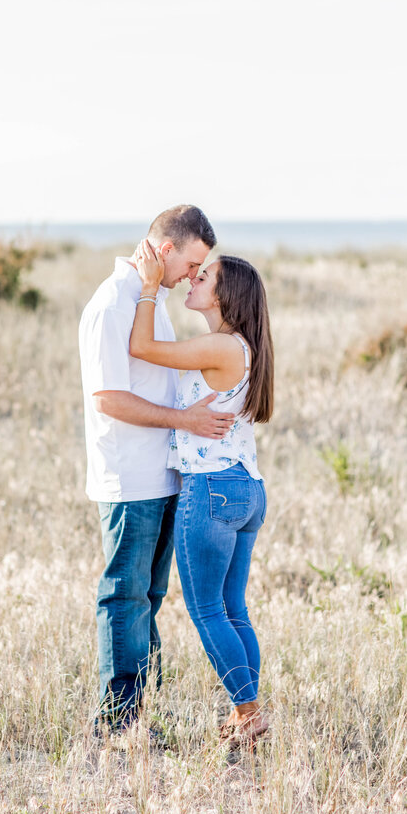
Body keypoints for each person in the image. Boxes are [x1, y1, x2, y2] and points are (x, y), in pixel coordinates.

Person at [79, 205, 235, 734]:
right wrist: (185, 421)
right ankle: (117, 721)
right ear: (166, 250)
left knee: (148, 596)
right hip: (130, 477)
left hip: (163, 474)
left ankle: (140, 714)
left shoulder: (151, 301)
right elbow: (109, 399)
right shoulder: (113, 302)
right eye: (192, 264)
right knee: (124, 593)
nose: (194, 276)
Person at [129, 240, 274, 746]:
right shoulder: (242, 347)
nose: (194, 279)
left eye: (204, 277)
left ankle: (249, 711)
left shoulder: (221, 346)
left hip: (212, 489)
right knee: (233, 609)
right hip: (245, 489)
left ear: (224, 297)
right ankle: (245, 715)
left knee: (209, 610)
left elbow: (142, 349)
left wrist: (149, 288)